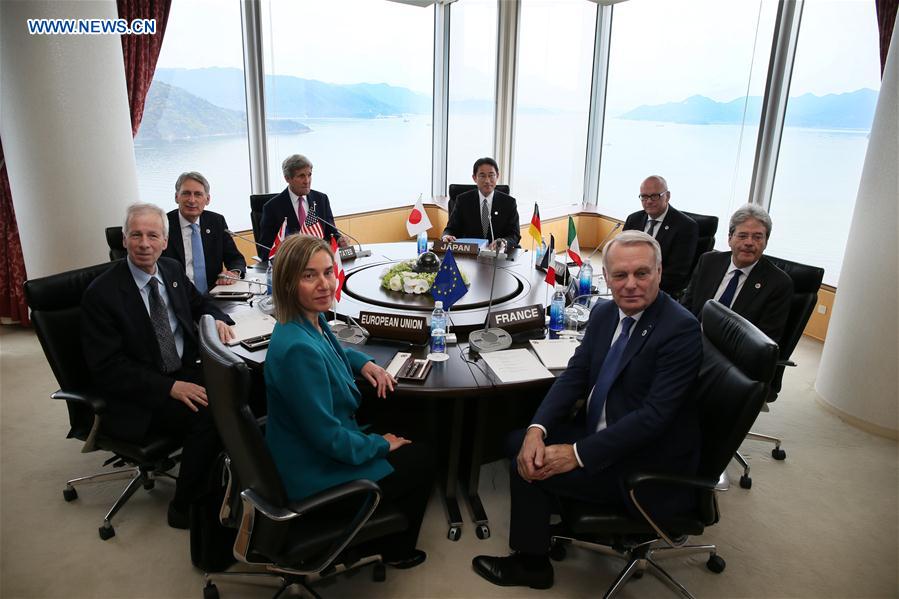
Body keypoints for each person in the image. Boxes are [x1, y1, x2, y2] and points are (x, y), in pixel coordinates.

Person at [472, 230, 703, 590]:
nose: (630, 285)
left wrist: (577, 455)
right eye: (619, 275)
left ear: (660, 272)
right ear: (606, 278)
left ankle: (532, 565)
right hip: (602, 428)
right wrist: (538, 430)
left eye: (641, 273)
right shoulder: (605, 312)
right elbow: (575, 377)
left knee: (531, 470)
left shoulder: (681, 329)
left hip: (644, 459)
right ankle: (549, 512)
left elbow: (654, 418)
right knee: (520, 443)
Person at [264, 234, 432, 569]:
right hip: (314, 471)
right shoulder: (298, 351)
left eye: (328, 272)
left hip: (309, 446)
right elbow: (329, 439)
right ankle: (393, 549)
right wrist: (379, 445)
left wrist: (363, 363)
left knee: (410, 417)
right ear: (287, 283)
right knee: (422, 458)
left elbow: (336, 350)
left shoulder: (309, 320)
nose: (324, 284)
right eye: (309, 275)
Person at [81, 203, 235, 529]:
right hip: (142, 389)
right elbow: (108, 368)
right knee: (208, 415)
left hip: (183, 367)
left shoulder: (171, 269)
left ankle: (227, 484)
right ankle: (184, 507)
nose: (144, 243)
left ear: (165, 241)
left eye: (153, 235)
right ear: (124, 240)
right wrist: (171, 387)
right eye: (136, 235)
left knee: (243, 384)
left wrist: (217, 318)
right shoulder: (102, 294)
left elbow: (199, 303)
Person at [682, 203, 792, 344]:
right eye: (742, 235)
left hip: (732, 355)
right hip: (692, 339)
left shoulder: (778, 284)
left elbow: (765, 341)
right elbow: (686, 307)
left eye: (757, 237)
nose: (749, 243)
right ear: (730, 238)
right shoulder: (708, 262)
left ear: (766, 242)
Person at [162, 171, 246, 294]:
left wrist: (233, 273)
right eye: (186, 193)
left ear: (207, 199)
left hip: (214, 295)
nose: (192, 200)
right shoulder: (163, 225)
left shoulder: (216, 222)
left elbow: (235, 258)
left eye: (198, 194)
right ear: (176, 197)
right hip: (177, 296)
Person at [258, 154, 348, 259]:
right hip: (292, 266)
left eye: (309, 175)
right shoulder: (272, 208)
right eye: (301, 176)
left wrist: (339, 240)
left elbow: (331, 233)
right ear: (287, 178)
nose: (307, 181)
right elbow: (264, 250)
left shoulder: (321, 199)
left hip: (321, 260)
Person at [622, 175, 698, 296]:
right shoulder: (633, 219)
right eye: (644, 197)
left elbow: (677, 274)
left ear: (667, 196)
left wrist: (640, 284)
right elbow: (621, 254)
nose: (649, 201)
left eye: (654, 196)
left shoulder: (686, 226)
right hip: (628, 284)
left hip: (660, 291)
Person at [442, 157, 521, 250]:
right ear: (474, 178)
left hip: (497, 255)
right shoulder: (463, 200)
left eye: (491, 175)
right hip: (470, 254)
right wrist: (446, 236)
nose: (487, 181)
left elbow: (514, 234)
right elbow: (451, 229)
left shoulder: (509, 203)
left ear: (497, 176)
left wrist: (504, 242)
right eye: (482, 176)